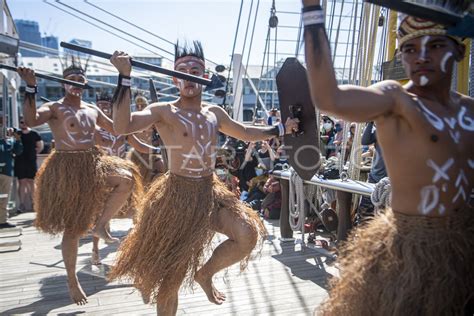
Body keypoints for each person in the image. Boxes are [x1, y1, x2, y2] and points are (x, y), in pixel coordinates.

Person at [301, 0, 473, 314]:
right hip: (410, 251)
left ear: (459, 51)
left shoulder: (470, 110)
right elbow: (329, 99)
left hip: (464, 246)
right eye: (409, 49)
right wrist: (312, 10)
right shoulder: (396, 100)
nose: (421, 57)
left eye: (434, 45)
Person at [107, 41, 298, 315]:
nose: (188, 75)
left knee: (247, 234)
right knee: (170, 281)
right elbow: (121, 126)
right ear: (174, 79)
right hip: (176, 198)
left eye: (194, 70)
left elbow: (244, 131)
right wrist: (124, 77)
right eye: (181, 70)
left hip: (209, 194)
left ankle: (205, 274)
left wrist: (280, 128)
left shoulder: (214, 113)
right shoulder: (163, 111)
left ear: (203, 78)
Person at [16, 60, 143, 305]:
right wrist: (30, 87)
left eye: (80, 80)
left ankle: (100, 224)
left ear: (84, 84)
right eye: (71, 80)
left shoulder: (92, 109)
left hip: (92, 163)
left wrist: (123, 82)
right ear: (64, 84)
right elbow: (31, 121)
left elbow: (118, 126)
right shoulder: (54, 108)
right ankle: (72, 280)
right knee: (73, 229)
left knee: (126, 180)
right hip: (67, 168)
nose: (76, 84)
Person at [14, 118, 43, 213]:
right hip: (20, 161)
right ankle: (21, 205)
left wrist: (33, 154)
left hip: (31, 161)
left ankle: (34, 204)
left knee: (31, 181)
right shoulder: (17, 134)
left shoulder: (35, 133)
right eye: (22, 122)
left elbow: (40, 146)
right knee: (22, 182)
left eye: (26, 122)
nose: (24, 124)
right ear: (19, 123)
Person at [0, 128, 23, 229]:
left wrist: (17, 139)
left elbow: (18, 151)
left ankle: (2, 220)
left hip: (6, 172)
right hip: (6, 172)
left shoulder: (9, 141)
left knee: (4, 197)